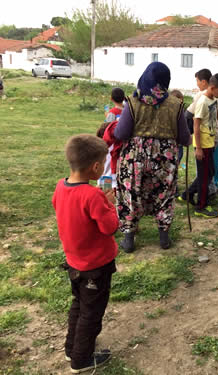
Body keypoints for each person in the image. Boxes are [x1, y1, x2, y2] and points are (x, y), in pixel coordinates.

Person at [52, 134, 117, 373]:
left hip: (75, 263)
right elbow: (110, 227)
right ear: (97, 167)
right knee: (92, 313)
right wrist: (109, 204)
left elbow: (58, 206)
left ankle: (73, 348)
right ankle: (81, 359)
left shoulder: (61, 186)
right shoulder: (93, 195)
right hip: (96, 266)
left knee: (79, 305)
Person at [114, 62, 191, 252]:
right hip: (165, 158)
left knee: (130, 194)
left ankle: (129, 240)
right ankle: (164, 239)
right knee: (164, 195)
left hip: (134, 158)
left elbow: (121, 133)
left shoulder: (133, 102)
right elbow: (184, 138)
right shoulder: (176, 104)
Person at [180, 73, 218, 217]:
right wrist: (198, 148)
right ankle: (201, 206)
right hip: (202, 145)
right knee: (205, 176)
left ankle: (187, 194)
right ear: (212, 87)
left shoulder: (214, 100)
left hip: (210, 142)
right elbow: (196, 126)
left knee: (209, 173)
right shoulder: (203, 102)